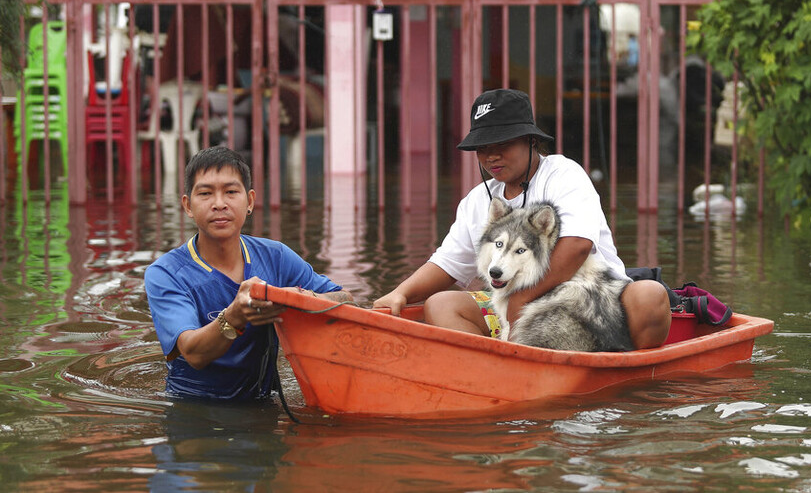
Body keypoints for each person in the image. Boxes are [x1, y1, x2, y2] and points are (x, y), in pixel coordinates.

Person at [373, 88, 671, 349]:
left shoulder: (563, 174)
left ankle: (619, 363)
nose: (491, 157)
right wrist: (400, 294)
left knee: (650, 296)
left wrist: (523, 298)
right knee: (441, 304)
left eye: (501, 144)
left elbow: (578, 244)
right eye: (482, 148)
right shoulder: (478, 200)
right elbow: (447, 263)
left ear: (530, 140)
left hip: (591, 302)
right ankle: (494, 373)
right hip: (515, 312)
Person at [145, 146, 351, 400]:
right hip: (192, 408)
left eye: (231, 192)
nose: (219, 204)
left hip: (262, 401)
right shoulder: (166, 273)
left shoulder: (276, 256)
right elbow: (194, 353)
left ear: (250, 201)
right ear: (188, 205)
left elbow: (346, 300)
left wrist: (297, 297)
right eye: (206, 194)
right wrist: (234, 315)